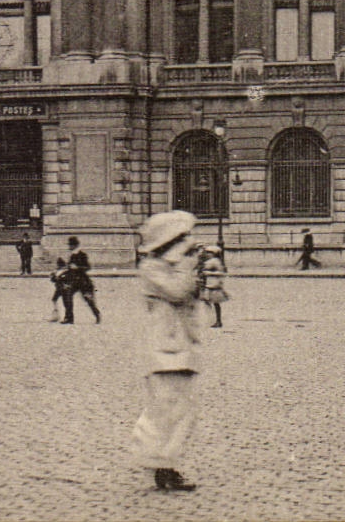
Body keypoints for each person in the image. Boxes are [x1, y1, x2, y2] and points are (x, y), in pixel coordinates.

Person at [130, 210, 203, 492]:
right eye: (184, 237)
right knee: (165, 409)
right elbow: (177, 292)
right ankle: (159, 465)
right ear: (169, 241)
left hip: (179, 345)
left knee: (180, 409)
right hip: (163, 348)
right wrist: (188, 265)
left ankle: (165, 465)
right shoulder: (152, 268)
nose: (189, 241)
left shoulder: (171, 266)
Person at [62, 236, 101, 324]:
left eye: (70, 245)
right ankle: (69, 318)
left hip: (83, 281)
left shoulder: (82, 255)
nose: (69, 247)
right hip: (73, 281)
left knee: (88, 299)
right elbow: (70, 269)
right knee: (67, 296)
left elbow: (88, 267)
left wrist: (77, 267)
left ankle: (96, 313)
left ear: (74, 245)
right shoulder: (71, 255)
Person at [197, 245, 228, 328]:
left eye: (209, 252)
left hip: (214, 285)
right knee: (208, 302)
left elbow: (221, 273)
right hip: (209, 284)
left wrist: (209, 273)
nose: (207, 254)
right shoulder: (210, 260)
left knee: (214, 303)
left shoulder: (216, 261)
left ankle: (217, 320)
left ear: (214, 253)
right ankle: (213, 319)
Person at [49, 257, 71, 322]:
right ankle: (58, 315)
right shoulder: (60, 271)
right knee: (55, 300)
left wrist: (55, 277)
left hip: (62, 288)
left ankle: (60, 316)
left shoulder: (62, 272)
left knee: (58, 301)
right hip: (60, 288)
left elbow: (59, 280)